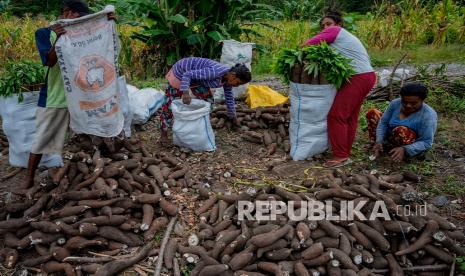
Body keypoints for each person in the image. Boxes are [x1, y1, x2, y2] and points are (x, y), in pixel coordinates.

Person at [23, 0, 115, 189]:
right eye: (79, 17)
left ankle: (84, 170)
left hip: (83, 96)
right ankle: (28, 179)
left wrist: (109, 25)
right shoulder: (45, 33)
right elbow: (48, 62)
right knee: (43, 138)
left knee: (87, 135)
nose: (81, 22)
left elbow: (101, 48)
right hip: (55, 97)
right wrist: (59, 37)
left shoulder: (83, 33)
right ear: (68, 13)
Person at [303, 11, 376, 168]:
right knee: (350, 117)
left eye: (328, 23)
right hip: (366, 76)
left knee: (336, 116)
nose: (325, 27)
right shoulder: (343, 37)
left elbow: (306, 45)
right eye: (323, 26)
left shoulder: (334, 31)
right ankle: (345, 153)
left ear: (339, 24)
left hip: (359, 76)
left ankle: (341, 156)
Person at [159, 57, 252, 144]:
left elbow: (229, 98)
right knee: (170, 104)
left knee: (208, 102)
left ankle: (198, 126)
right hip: (181, 71)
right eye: (238, 83)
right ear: (233, 75)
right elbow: (187, 75)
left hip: (197, 80)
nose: (237, 86)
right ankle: (163, 133)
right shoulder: (214, 72)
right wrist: (185, 92)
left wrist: (233, 117)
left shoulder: (227, 80)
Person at [367, 82, 438, 162]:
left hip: (409, 141)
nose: (408, 105)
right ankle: (378, 145)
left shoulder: (428, 115)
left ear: (422, 100)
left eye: (413, 103)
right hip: (390, 134)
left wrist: (405, 149)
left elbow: (427, 141)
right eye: (404, 102)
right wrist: (379, 140)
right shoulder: (395, 103)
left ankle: (398, 151)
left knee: (401, 130)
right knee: (372, 113)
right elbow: (384, 122)